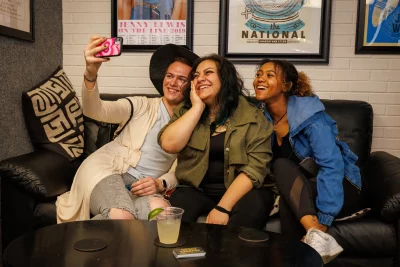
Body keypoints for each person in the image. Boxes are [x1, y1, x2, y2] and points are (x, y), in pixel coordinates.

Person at [56, 36, 199, 222]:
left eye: (182, 79)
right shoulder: (141, 105)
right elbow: (95, 110)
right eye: (169, 76)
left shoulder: (192, 121)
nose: (172, 83)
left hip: (141, 188)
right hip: (107, 172)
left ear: (191, 86)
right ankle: (77, 245)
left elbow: (184, 169)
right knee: (123, 216)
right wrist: (91, 73)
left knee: (164, 215)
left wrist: (160, 183)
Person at [253, 59, 363, 264]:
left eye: (270, 75)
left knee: (282, 167)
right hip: (300, 188)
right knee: (285, 186)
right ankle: (311, 247)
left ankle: (316, 237)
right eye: (259, 74)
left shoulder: (311, 118)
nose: (260, 79)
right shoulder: (260, 116)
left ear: (286, 86)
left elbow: (332, 166)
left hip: (340, 186)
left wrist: (324, 219)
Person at [158, 54, 275, 229]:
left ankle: (232, 255)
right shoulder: (186, 110)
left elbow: (256, 169)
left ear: (224, 78)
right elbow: (169, 144)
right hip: (197, 191)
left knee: (255, 203)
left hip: (243, 193)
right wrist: (197, 107)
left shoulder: (253, 116)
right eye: (196, 76)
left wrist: (223, 207)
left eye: (208, 73)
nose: (200, 79)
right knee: (180, 205)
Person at [118, 0, 186, 20]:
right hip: (138, 23)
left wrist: (173, 25)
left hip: (165, 23)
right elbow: (126, 3)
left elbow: (179, 2)